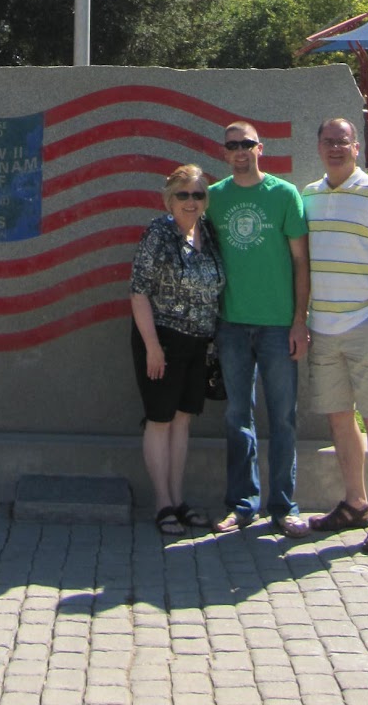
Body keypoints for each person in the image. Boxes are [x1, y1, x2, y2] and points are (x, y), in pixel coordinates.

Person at [303, 117, 368, 554]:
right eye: (328, 141)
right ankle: (354, 503)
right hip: (323, 328)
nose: (335, 148)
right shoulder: (309, 196)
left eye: (342, 142)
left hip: (366, 326)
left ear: (356, 147)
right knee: (339, 419)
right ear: (318, 147)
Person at [207, 121, 311, 537]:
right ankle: (241, 504)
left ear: (260, 148)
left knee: (283, 417)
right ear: (224, 152)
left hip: (277, 325)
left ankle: (284, 506)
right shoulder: (214, 197)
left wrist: (299, 320)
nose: (240, 150)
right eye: (232, 145)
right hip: (231, 324)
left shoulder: (284, 195)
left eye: (246, 143)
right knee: (237, 416)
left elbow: (301, 261)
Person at [130, 164, 226, 536]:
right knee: (160, 419)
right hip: (163, 340)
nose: (191, 201)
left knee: (183, 420)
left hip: (199, 343)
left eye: (198, 194)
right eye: (183, 194)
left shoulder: (209, 232)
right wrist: (153, 346)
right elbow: (139, 291)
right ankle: (163, 503)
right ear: (170, 199)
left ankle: (179, 498)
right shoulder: (159, 233)